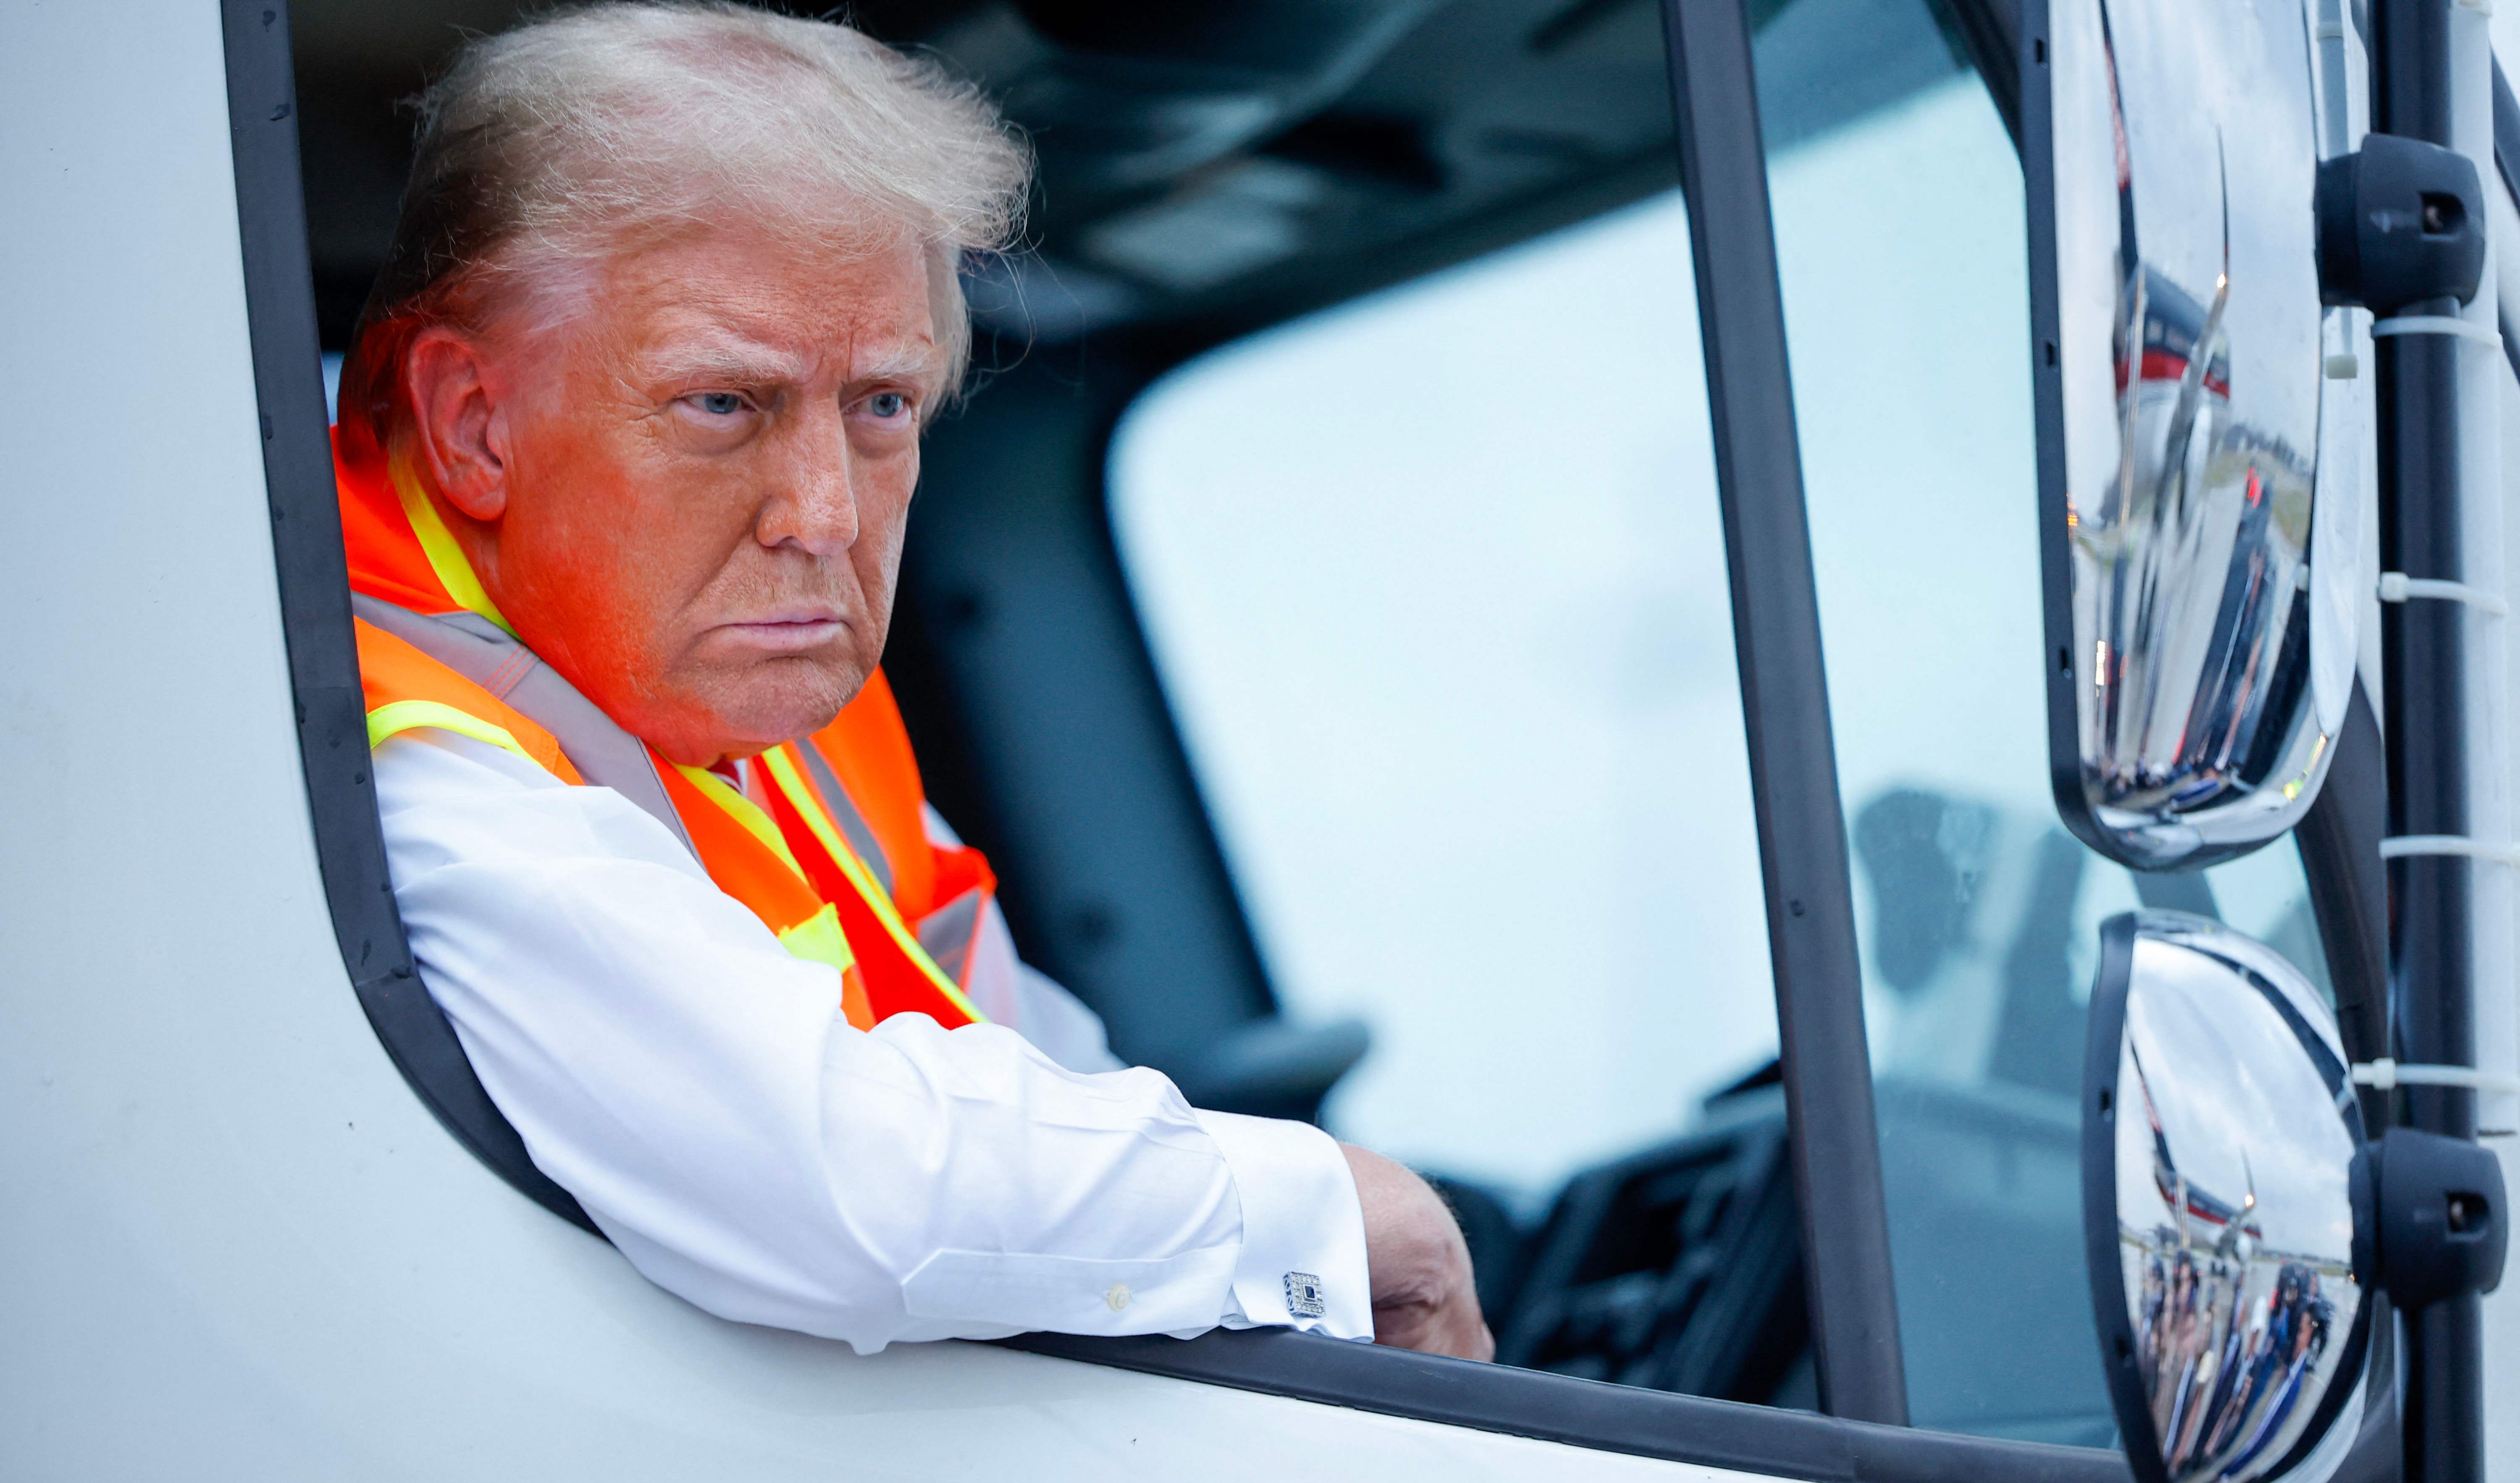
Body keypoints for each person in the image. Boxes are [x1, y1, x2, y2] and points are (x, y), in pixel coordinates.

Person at [329, 0, 1491, 1362]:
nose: (824, 512)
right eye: (723, 404)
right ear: (476, 425)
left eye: (882, 405)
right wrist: (1337, 1214)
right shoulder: (397, 765)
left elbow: (1050, 1083)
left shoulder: (768, 722)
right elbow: (853, 1197)